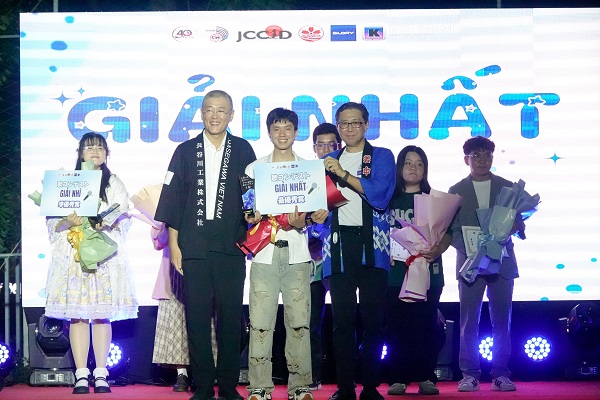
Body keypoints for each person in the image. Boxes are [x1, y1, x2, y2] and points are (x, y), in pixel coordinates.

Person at [155, 90, 257, 400]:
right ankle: (201, 385)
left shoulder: (243, 149)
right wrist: (174, 245)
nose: (215, 116)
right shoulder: (185, 151)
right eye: (209, 110)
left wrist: (255, 217)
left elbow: (252, 196)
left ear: (231, 115)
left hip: (230, 246)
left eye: (221, 110)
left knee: (230, 318)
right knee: (196, 318)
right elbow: (173, 200)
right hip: (194, 246)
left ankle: (227, 384)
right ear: (201, 114)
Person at [243, 108, 328, 400]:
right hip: (264, 255)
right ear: (268, 133)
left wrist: (314, 217)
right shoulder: (254, 169)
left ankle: (300, 386)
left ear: (296, 132)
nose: (282, 134)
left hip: (298, 254)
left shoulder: (309, 169)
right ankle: (259, 387)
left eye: (288, 128)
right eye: (276, 128)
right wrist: (252, 216)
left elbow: (317, 218)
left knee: (299, 322)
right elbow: (247, 213)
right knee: (260, 323)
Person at [44, 132, 138, 394]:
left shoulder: (113, 182)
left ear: (107, 153)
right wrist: (68, 222)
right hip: (74, 255)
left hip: (103, 255)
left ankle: (101, 374)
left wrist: (103, 220)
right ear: (80, 153)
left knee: (101, 314)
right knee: (78, 315)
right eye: (89, 147)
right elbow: (54, 224)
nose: (95, 151)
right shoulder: (67, 182)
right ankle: (81, 375)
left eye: (100, 147)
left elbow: (123, 211)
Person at [321, 102, 396, 400]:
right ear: (338, 127)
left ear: (367, 125)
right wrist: (316, 213)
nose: (350, 128)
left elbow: (380, 196)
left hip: (373, 246)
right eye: (344, 123)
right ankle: (344, 387)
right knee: (342, 322)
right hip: (338, 246)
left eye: (355, 122)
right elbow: (319, 203)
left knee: (373, 321)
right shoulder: (327, 161)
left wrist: (343, 174)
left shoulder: (382, 156)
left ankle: (371, 386)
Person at [448, 136, 519, 392]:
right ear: (466, 159)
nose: (482, 160)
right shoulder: (456, 190)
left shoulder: (507, 187)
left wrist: (511, 228)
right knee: (468, 320)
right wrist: (472, 249)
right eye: (476, 155)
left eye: (487, 155)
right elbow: (451, 229)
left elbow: (518, 222)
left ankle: (501, 373)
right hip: (470, 264)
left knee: (502, 320)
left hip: (502, 261)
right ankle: (469, 374)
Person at [385, 146, 451, 396]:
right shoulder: (387, 200)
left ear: (425, 169)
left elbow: (448, 233)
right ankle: (398, 378)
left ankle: (426, 376)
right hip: (395, 275)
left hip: (429, 274)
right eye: (408, 163)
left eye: (419, 163)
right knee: (397, 328)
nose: (413, 168)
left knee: (426, 327)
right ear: (399, 168)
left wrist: (438, 249)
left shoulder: (435, 201)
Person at [308, 123, 341, 390]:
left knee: (344, 321)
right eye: (321, 145)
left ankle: (346, 379)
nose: (326, 150)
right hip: (313, 262)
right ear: (314, 147)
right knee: (310, 323)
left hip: (339, 256)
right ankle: (313, 376)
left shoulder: (346, 175)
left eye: (331, 145)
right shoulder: (305, 176)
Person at [150, 222, 190, 392]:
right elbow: (158, 242)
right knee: (176, 322)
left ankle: (205, 372)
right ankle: (182, 374)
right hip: (174, 271)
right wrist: (166, 226)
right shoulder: (167, 211)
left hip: (202, 264)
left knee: (206, 321)